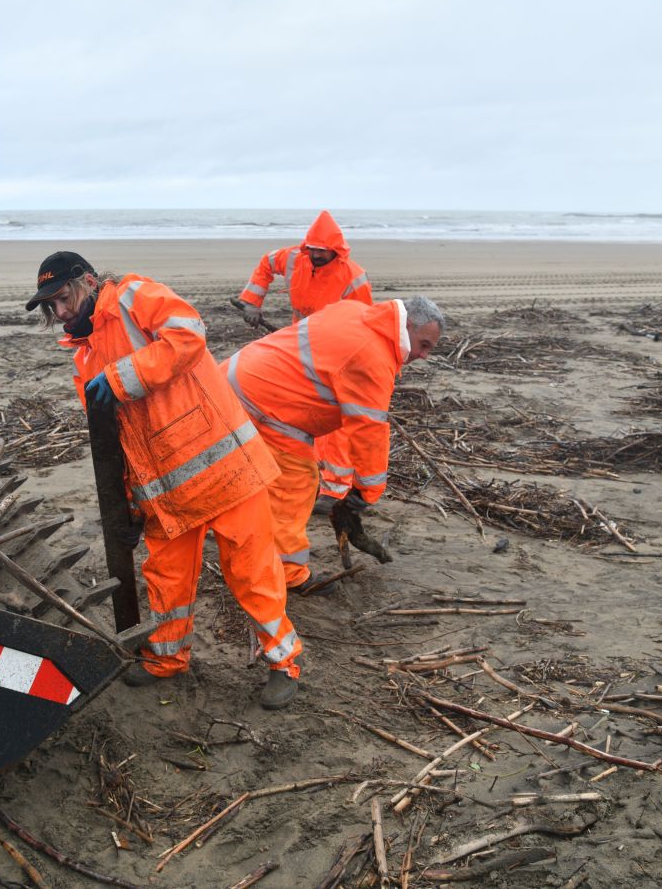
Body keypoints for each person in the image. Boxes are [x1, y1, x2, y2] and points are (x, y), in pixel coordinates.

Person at [26, 251, 304, 709]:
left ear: (89, 281)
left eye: (62, 298)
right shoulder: (85, 358)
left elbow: (189, 333)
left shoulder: (135, 296)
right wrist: (130, 504)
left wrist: (120, 376)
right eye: (50, 306)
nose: (59, 313)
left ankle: (284, 661)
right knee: (167, 578)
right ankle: (167, 659)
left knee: (252, 572)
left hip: (227, 470)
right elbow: (115, 441)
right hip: (167, 492)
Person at [224, 296, 444, 594]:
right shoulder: (373, 356)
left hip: (234, 379)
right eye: (425, 345)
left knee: (253, 480)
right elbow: (368, 433)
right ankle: (289, 574)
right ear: (407, 326)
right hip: (267, 404)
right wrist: (366, 493)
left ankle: (244, 540)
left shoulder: (353, 311)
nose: (424, 355)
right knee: (296, 483)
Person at [235, 210, 374, 505]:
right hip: (299, 343)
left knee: (331, 420)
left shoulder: (353, 278)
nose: (315, 256)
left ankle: (335, 490)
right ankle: (299, 470)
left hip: (335, 353)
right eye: (311, 250)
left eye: (321, 252)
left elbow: (363, 325)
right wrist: (251, 301)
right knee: (293, 408)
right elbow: (266, 263)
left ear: (335, 251)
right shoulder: (294, 259)